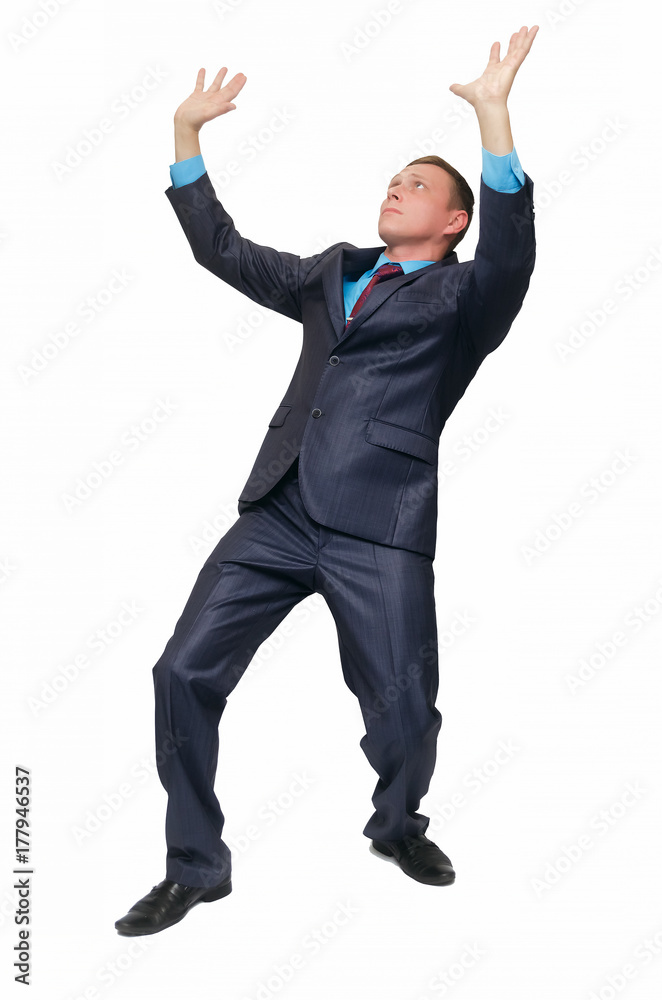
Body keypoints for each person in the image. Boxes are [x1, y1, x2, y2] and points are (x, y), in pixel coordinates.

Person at [115, 25, 538, 936]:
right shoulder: (329, 273)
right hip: (278, 509)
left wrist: (494, 118)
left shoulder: (469, 299)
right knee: (181, 672)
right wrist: (187, 137)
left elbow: (512, 253)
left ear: (454, 220)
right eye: (395, 178)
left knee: (404, 711)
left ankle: (396, 825)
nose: (399, 187)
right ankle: (195, 863)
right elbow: (221, 249)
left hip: (378, 524)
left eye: (420, 185)